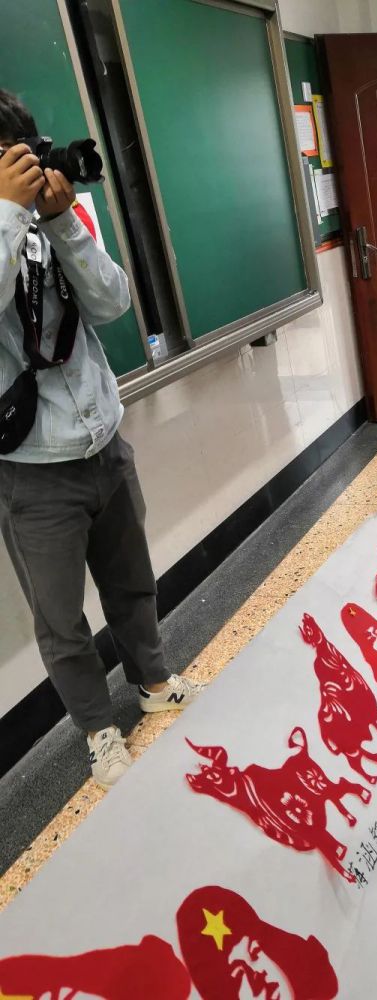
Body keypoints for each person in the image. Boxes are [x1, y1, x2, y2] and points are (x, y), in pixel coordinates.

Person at [0, 89, 203, 789]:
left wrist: (60, 223)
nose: (23, 169)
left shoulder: (55, 218)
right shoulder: (6, 222)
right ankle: (97, 730)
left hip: (105, 443)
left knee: (132, 583)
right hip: (31, 469)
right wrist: (7, 214)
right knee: (61, 620)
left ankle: (153, 681)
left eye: (23, 153)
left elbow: (113, 303)